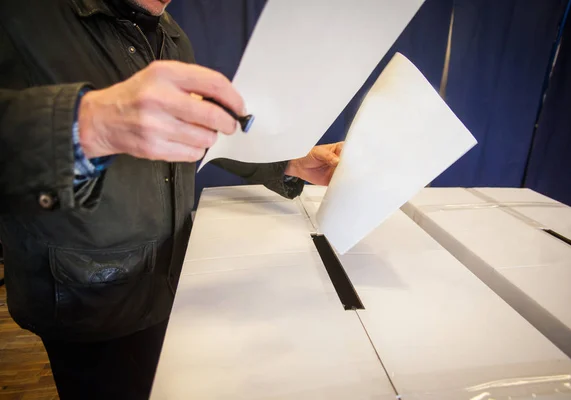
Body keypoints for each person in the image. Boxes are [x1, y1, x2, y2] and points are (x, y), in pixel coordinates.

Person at [0, 0, 344, 398]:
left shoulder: (172, 35)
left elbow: (196, 139)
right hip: (82, 298)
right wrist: (89, 124)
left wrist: (289, 162)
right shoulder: (20, 14)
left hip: (170, 282)